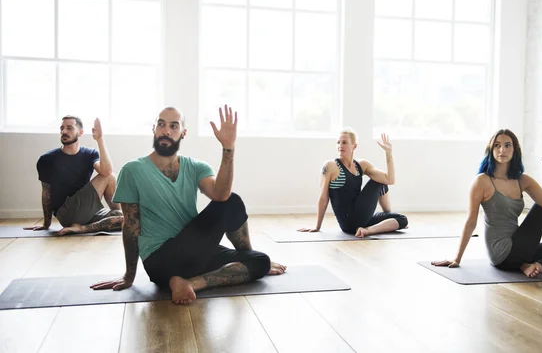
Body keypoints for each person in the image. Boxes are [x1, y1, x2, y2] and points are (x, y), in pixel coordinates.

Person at [91, 105, 286, 304]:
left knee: (260, 261)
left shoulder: (195, 167)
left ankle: (191, 283)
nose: (166, 130)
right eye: (161, 124)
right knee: (231, 203)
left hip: (195, 255)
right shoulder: (132, 170)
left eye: (174, 126)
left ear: (183, 133)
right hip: (160, 261)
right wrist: (129, 276)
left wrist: (228, 148)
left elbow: (221, 194)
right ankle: (184, 280)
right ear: (154, 129)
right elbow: (131, 226)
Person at [432, 129, 542, 277]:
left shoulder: (522, 180)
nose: (502, 150)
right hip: (502, 252)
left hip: (520, 248)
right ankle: (533, 261)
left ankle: (535, 264)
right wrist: (457, 258)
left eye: (507, 145)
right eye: (497, 145)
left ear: (515, 150)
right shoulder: (482, 181)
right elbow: (470, 221)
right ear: (491, 150)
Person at [299, 128, 408, 238]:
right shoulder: (331, 166)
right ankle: (370, 228)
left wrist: (388, 154)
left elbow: (389, 179)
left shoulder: (361, 165)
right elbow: (323, 198)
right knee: (377, 181)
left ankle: (367, 230)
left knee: (402, 220)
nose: (340, 145)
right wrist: (317, 226)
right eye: (338, 142)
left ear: (354, 146)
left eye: (344, 142)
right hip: (348, 222)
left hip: (363, 218)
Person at [25, 116, 122, 235]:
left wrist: (100, 139)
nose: (64, 131)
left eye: (69, 128)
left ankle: (83, 228)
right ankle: (82, 226)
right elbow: (46, 192)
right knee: (109, 176)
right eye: (62, 128)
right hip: (66, 212)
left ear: (80, 132)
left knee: (126, 219)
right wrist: (47, 224)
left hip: (87, 211)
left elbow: (105, 169)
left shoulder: (89, 154)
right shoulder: (47, 159)